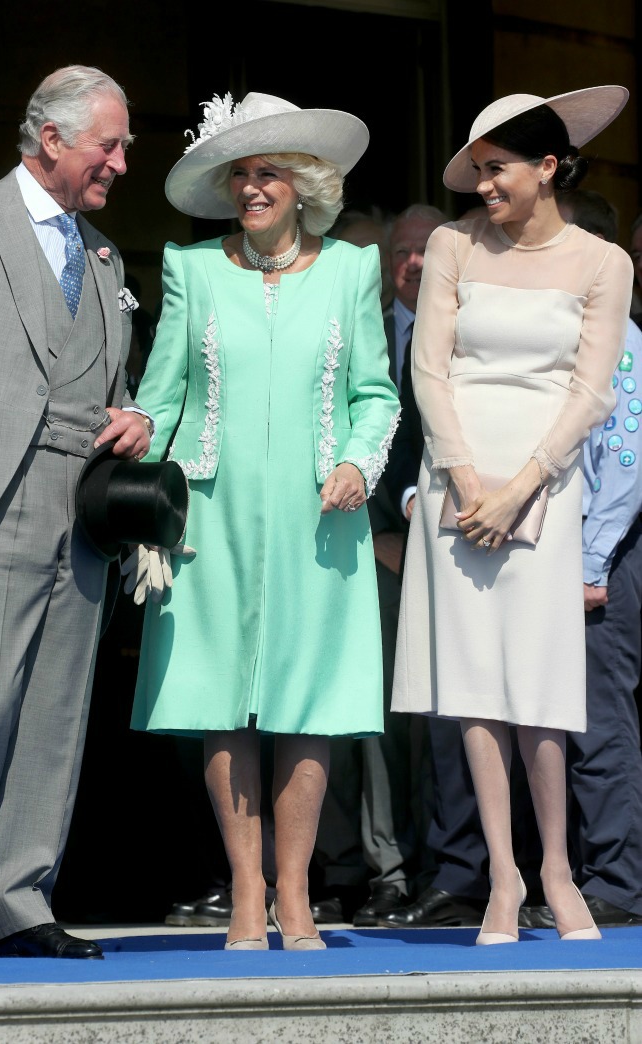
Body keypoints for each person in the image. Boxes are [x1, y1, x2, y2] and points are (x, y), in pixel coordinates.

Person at [126, 90, 400, 951]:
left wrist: (357, 461)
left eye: (269, 172)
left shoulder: (352, 269)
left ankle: (298, 893)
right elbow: (159, 398)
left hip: (322, 515)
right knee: (223, 700)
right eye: (240, 173)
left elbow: (376, 394)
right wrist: (142, 500)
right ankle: (247, 890)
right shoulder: (193, 270)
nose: (252, 187)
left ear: (304, 184)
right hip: (211, 514)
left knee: (309, 703)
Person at [390, 85, 632, 945]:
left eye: (498, 169)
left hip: (545, 483)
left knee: (540, 685)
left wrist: (522, 486)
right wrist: (464, 482)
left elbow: (591, 393)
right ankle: (502, 875)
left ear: (548, 167)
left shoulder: (603, 262)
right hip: (458, 478)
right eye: (479, 170)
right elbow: (429, 370)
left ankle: (557, 871)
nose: (484, 185)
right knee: (473, 688)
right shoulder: (452, 244)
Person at [0, 65, 150, 960]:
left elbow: (110, 381)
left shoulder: (104, 256)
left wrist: (135, 416)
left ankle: (21, 902)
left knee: (56, 712)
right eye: (110, 145)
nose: (122, 164)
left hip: (84, 514)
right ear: (52, 139)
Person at [311, 203, 448, 927]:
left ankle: (418, 868)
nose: (412, 265)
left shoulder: (455, 332)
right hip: (349, 544)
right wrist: (376, 527)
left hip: (431, 552)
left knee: (415, 723)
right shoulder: (345, 332)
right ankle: (348, 871)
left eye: (428, 251)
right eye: (401, 253)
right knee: (338, 718)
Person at [550, 187, 642, 926]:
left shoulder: (622, 339)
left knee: (600, 719)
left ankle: (616, 880)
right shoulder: (572, 329)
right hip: (565, 545)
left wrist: (591, 561)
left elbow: (626, 464)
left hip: (601, 551)